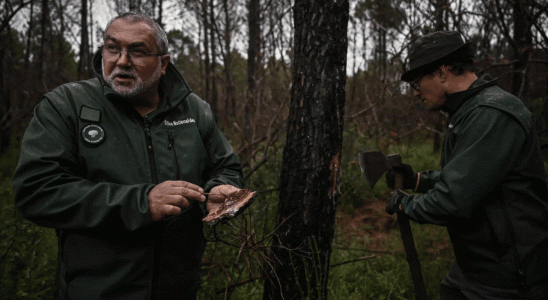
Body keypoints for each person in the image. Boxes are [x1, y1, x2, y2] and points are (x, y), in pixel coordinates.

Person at [12, 12, 244, 299]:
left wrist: (218, 190)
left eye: (138, 51)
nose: (122, 61)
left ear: (163, 64)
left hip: (178, 289)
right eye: (112, 48)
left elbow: (226, 167)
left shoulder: (194, 110)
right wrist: (142, 202)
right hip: (96, 291)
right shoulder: (66, 105)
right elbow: (36, 191)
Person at [385, 31, 548, 299]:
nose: (415, 94)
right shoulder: (469, 112)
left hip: (509, 277)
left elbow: (454, 199)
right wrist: (417, 180)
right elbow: (471, 177)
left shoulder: (491, 114)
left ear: (441, 73)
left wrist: (405, 203)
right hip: (476, 266)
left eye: (417, 82)